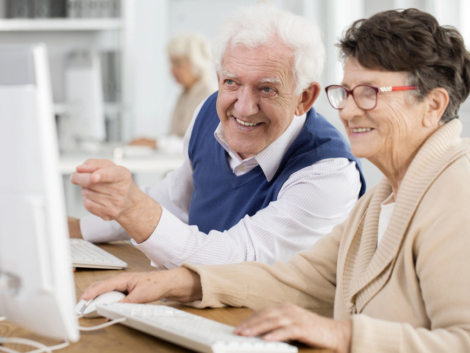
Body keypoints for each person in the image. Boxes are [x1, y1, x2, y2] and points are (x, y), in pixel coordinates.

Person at [80, 8, 470, 353]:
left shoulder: (458, 194)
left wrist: (344, 336)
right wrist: (180, 283)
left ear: (432, 106)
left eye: (369, 93)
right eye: (347, 92)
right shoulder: (385, 196)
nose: (349, 111)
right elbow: (302, 278)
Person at [68, 4, 366, 269]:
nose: (244, 108)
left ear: (305, 97)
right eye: (231, 82)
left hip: (266, 323)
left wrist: (133, 207)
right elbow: (176, 199)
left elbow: (235, 260)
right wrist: (80, 228)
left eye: (267, 89)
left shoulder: (328, 172)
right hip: (197, 309)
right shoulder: (209, 111)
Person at [130, 32, 217, 147]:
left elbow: (196, 144)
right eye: (171, 63)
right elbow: (176, 136)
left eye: (178, 63)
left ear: (197, 62)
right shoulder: (184, 94)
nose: (171, 70)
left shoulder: (210, 96)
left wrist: (155, 143)